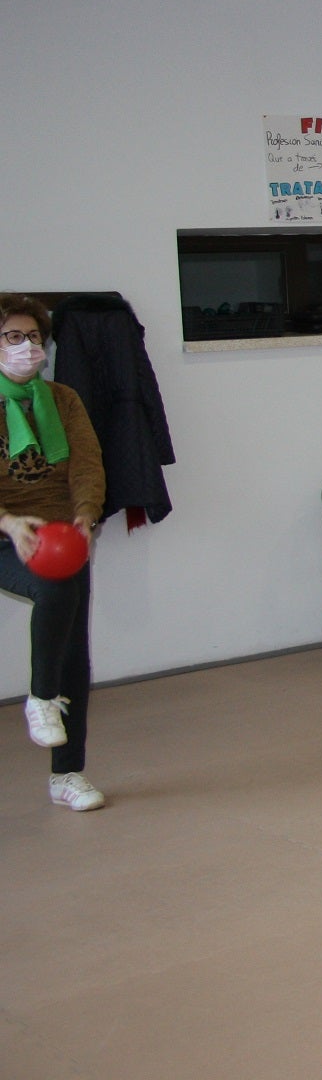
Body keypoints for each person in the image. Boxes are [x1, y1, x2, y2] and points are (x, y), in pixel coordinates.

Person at [0, 296, 107, 812]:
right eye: (12, 337)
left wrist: (85, 515)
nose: (26, 347)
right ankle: (42, 697)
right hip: (5, 531)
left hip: (60, 533)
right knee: (53, 585)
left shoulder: (62, 399)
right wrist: (8, 521)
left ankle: (67, 775)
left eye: (33, 337)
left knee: (74, 656)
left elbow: (87, 463)